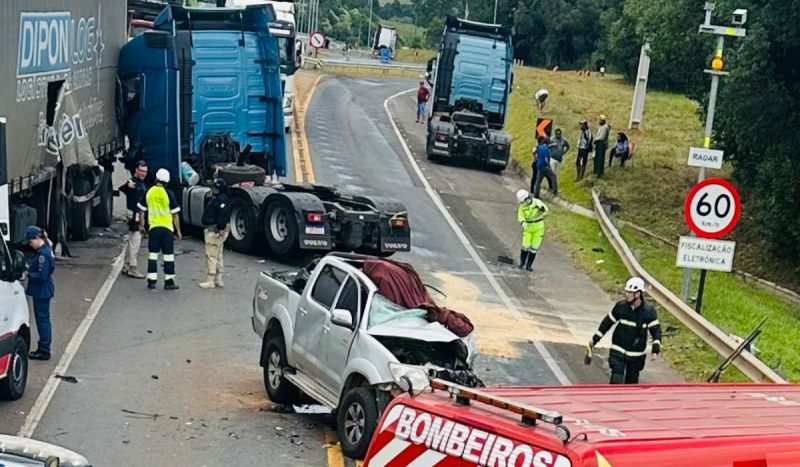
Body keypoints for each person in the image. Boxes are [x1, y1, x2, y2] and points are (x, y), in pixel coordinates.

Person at [588, 277, 662, 384]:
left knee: (631, 384)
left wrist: (656, 349)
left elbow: (656, 330)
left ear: (638, 294)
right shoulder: (620, 307)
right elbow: (607, 323)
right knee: (616, 379)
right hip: (618, 350)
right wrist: (594, 340)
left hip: (636, 355)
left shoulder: (648, 312)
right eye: (626, 291)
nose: (626, 294)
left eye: (630, 292)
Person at [138, 168, 182, 290]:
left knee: (153, 255)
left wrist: (141, 226)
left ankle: (151, 281)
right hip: (167, 229)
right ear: (167, 181)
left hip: (154, 228)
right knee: (168, 256)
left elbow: (142, 210)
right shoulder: (169, 194)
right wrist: (178, 231)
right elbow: (175, 214)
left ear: (156, 178)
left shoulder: (149, 192)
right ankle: (169, 281)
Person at [24, 226, 55, 361]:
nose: (30, 245)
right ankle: (43, 347)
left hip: (42, 292)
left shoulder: (43, 254)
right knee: (43, 320)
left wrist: (28, 274)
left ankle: (44, 350)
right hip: (42, 291)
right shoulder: (45, 251)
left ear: (37, 238)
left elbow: (42, 275)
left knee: (42, 320)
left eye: (31, 242)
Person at [199, 178, 231, 289]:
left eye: (215, 187)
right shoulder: (219, 198)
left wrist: (221, 228)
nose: (213, 189)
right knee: (218, 254)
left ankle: (210, 279)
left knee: (211, 254)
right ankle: (219, 278)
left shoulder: (221, 200)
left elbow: (223, 214)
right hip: (218, 230)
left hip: (215, 230)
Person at [119, 160, 149, 279]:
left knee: (132, 241)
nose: (143, 173)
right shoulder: (133, 182)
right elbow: (124, 188)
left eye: (145, 171)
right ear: (136, 170)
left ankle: (126, 265)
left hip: (135, 214)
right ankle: (133, 267)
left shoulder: (141, 183)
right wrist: (128, 185)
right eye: (141, 171)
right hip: (134, 215)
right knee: (135, 242)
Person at [516, 190, 548, 272]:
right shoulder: (522, 207)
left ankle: (529, 266)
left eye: (523, 201)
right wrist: (523, 222)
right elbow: (520, 216)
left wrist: (542, 209)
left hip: (538, 228)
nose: (523, 203)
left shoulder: (537, 202)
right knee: (525, 246)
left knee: (534, 247)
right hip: (528, 228)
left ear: (527, 198)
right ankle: (522, 263)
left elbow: (546, 211)